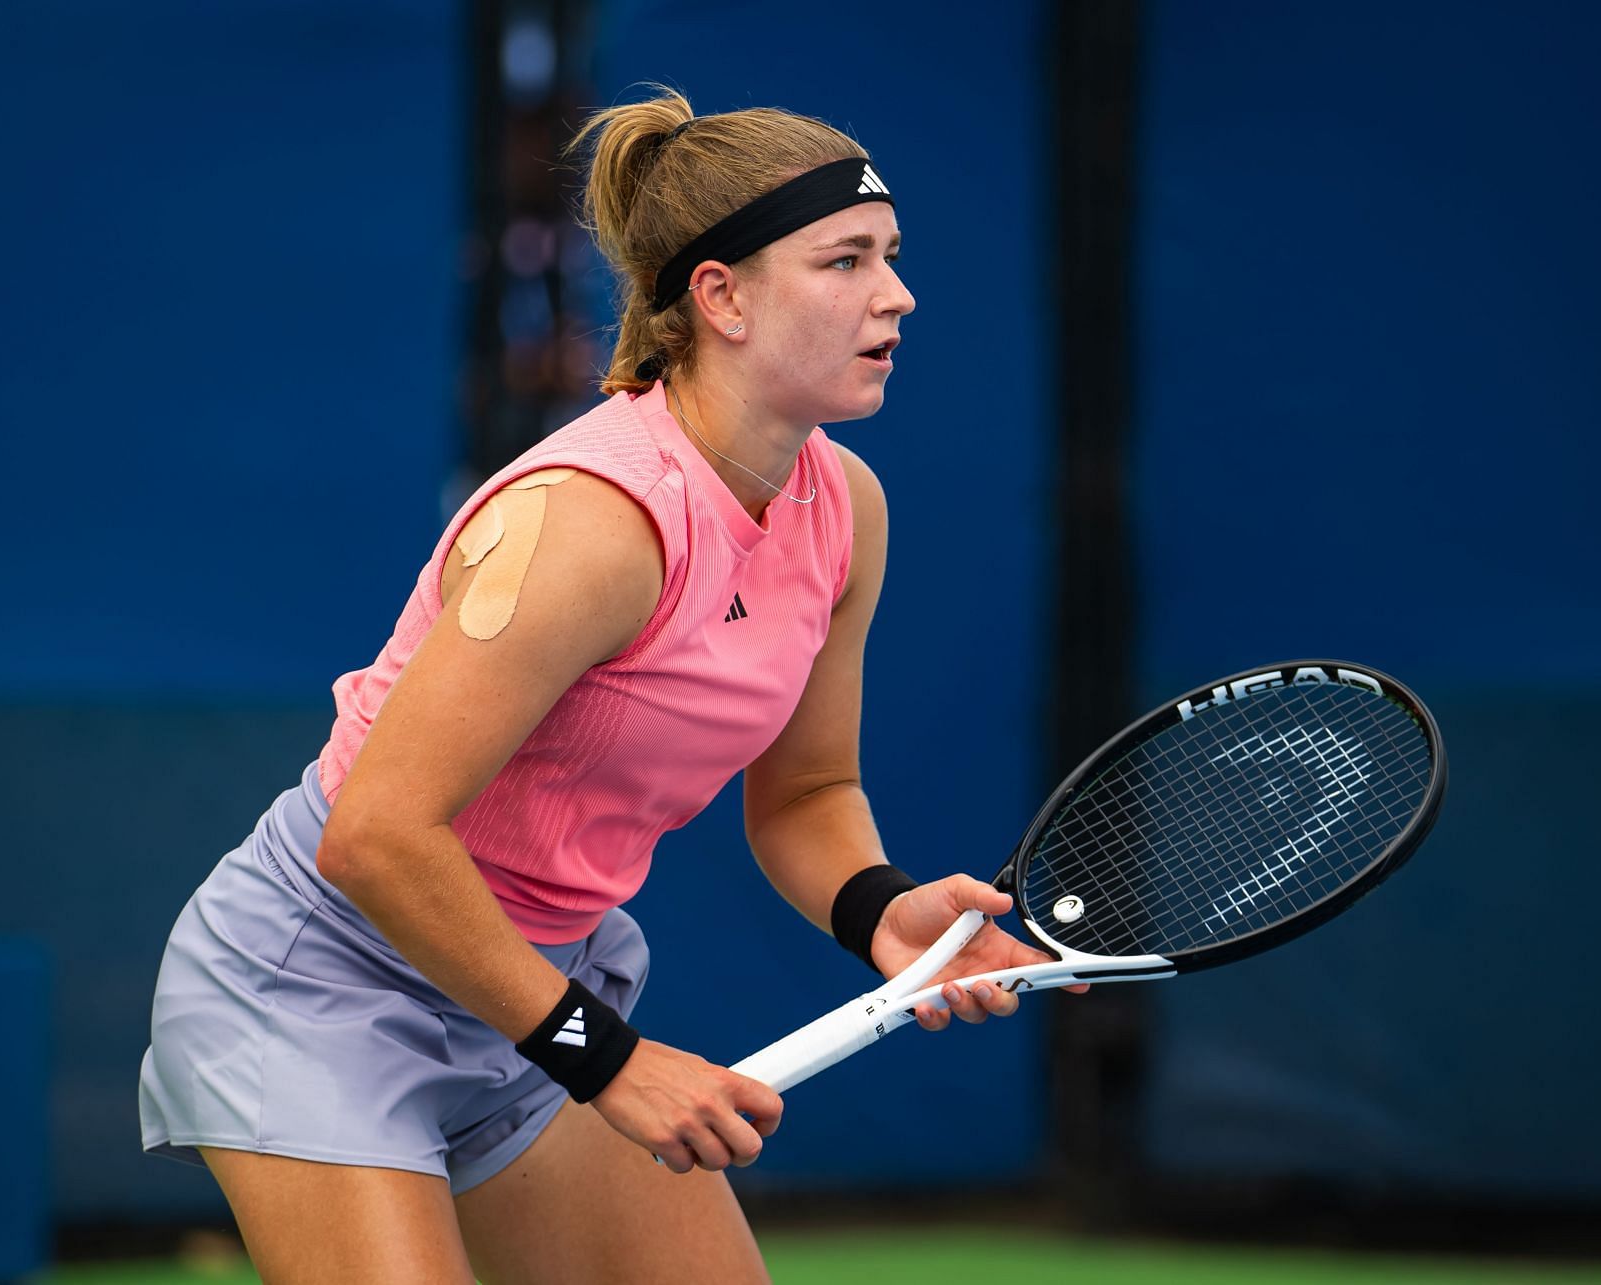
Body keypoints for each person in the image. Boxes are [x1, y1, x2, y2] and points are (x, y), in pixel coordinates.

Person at [139, 89, 1072, 1283]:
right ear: (720, 296)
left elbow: (807, 792)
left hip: (531, 979)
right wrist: (611, 1060)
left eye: (891, 258)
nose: (896, 295)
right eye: (845, 261)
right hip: (326, 978)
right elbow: (376, 835)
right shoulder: (592, 523)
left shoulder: (848, 508)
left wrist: (879, 908)